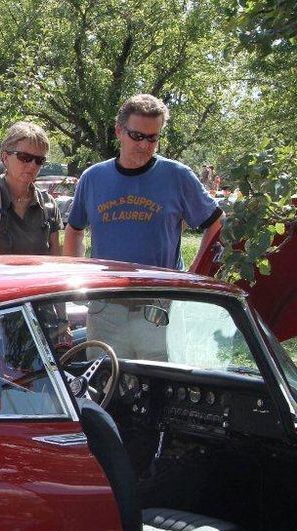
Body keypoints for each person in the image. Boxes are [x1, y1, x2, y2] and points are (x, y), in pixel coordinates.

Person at [63, 93, 224, 359]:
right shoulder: (93, 178)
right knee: (105, 387)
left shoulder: (177, 176)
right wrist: (75, 281)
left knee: (160, 388)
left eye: (153, 138)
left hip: (157, 308)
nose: (145, 145)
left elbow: (215, 222)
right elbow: (74, 229)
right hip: (106, 307)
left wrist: (194, 276)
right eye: (137, 136)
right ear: (119, 131)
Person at [0, 121, 61, 256]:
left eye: (39, 160)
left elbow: (55, 264)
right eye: (24, 157)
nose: (33, 165)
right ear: (5, 157)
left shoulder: (48, 205)